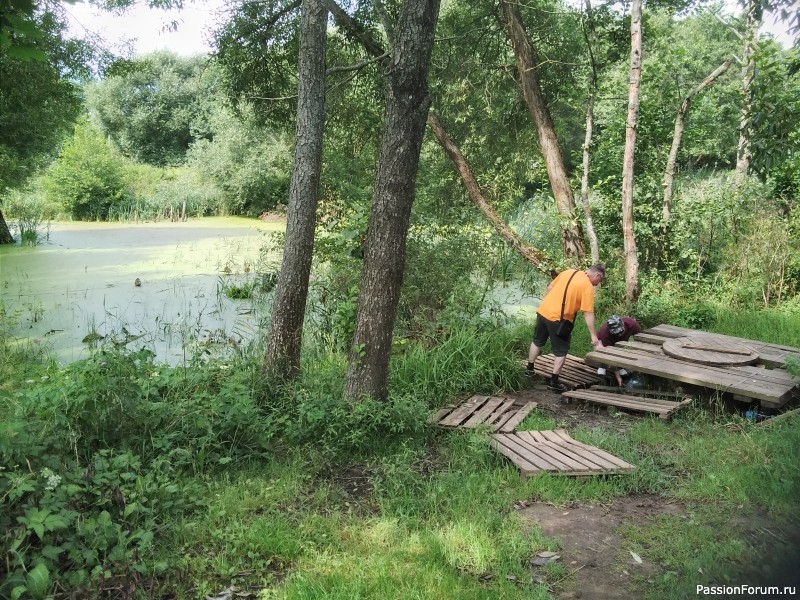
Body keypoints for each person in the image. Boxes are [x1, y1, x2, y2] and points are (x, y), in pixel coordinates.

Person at [526, 264, 606, 392]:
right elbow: (588, 313)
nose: (597, 284)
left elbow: (550, 287)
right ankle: (554, 382)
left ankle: (529, 370)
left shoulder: (569, 272)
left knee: (537, 341)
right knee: (561, 350)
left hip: (543, 311)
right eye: (599, 281)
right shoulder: (587, 287)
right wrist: (593, 336)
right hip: (559, 319)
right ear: (597, 275)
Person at [596, 315, 642, 386]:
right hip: (604, 343)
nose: (620, 335)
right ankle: (602, 366)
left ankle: (620, 367)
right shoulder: (605, 334)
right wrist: (619, 378)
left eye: (621, 332)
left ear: (623, 324)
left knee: (621, 350)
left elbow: (640, 339)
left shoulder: (632, 324)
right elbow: (611, 355)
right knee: (600, 349)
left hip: (621, 342)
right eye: (617, 333)